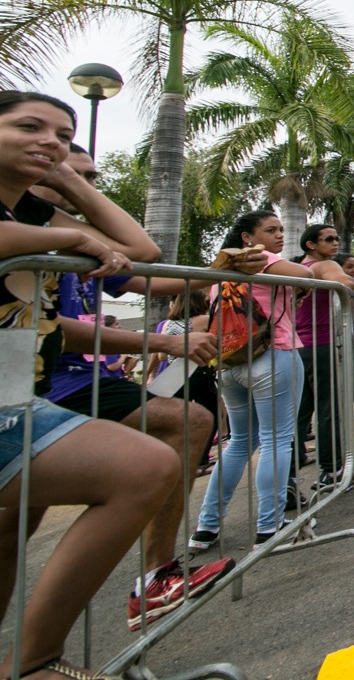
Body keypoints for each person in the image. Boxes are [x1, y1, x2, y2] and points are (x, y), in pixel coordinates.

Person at [0, 92, 211, 677]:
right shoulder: (44, 233)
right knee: (143, 463)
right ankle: (35, 659)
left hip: (18, 390)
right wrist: (72, 239)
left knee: (17, 521)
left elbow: (141, 251)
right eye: (29, 126)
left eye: (65, 135)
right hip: (36, 389)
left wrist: (71, 181)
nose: (51, 141)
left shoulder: (34, 216)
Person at [29, 145, 237, 629]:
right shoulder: (30, 232)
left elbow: (149, 268)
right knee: (18, 519)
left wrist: (219, 269)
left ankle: (154, 577)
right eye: (61, 174)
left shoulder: (71, 236)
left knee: (183, 427)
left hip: (77, 380)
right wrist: (164, 345)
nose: (77, 186)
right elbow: (49, 324)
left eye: (87, 177)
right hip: (53, 382)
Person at [189, 209, 315, 552]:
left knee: (239, 442)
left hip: (230, 362)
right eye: (270, 230)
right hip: (274, 355)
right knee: (277, 439)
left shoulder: (222, 272)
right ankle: (268, 526)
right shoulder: (261, 260)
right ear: (247, 237)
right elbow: (304, 272)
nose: (279, 236)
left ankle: (206, 526)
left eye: (279, 229)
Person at [294, 225, 354, 490]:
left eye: (336, 238)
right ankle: (332, 470)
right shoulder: (321, 265)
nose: (335, 243)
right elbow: (347, 283)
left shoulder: (301, 269)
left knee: (301, 412)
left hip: (300, 346)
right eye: (328, 239)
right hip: (320, 344)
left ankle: (290, 474)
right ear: (310, 244)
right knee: (329, 408)